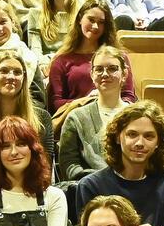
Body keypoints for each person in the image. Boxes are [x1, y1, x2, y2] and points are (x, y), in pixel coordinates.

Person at [55, 45, 132, 182]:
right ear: (91, 74)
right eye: (99, 69)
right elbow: (68, 163)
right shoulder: (76, 117)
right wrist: (94, 181)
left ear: (124, 74)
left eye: (112, 68)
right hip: (91, 191)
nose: (105, 74)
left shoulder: (139, 116)